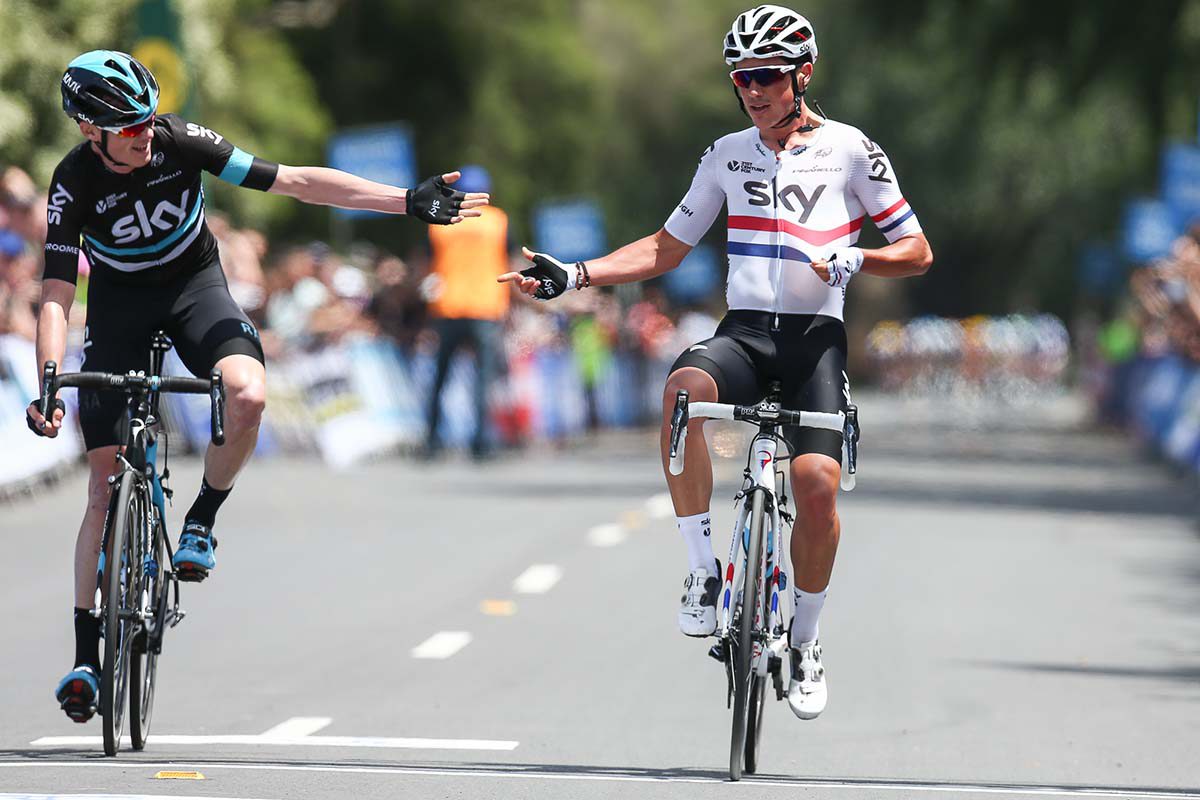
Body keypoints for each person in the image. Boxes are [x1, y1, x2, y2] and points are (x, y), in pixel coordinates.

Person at [26, 50, 488, 723]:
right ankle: (84, 659)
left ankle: (201, 520)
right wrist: (47, 380)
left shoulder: (180, 141)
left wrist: (404, 203)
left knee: (247, 393)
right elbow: (55, 292)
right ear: (90, 131)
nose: (145, 133)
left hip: (194, 290)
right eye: (129, 128)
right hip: (119, 310)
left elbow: (293, 180)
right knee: (101, 484)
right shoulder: (72, 181)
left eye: (149, 119)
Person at [500, 6, 932, 721]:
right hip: (745, 333)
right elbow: (665, 248)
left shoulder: (853, 150)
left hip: (814, 340)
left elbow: (916, 251)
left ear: (803, 75)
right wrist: (575, 275)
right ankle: (704, 571)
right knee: (682, 389)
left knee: (816, 486)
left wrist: (856, 257)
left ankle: (806, 640)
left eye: (767, 76)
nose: (753, 90)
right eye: (741, 78)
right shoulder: (727, 154)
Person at [422, 165, 512, 459]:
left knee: (441, 378)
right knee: (482, 379)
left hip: (447, 306)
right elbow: (508, 261)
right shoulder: (498, 221)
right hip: (486, 307)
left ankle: (432, 441)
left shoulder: (440, 219)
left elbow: (426, 264)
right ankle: (481, 443)